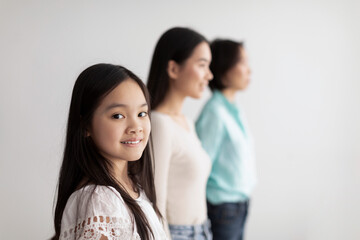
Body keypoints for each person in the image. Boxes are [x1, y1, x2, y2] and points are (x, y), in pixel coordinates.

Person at [52, 64, 167, 240]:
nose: (136, 127)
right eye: (118, 116)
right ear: (85, 126)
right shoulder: (100, 199)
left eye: (142, 113)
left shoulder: (133, 187)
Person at [147, 27, 213, 240]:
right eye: (202, 65)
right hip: (177, 234)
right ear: (174, 69)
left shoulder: (186, 123)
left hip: (202, 230)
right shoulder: (159, 124)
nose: (209, 75)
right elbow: (155, 202)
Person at [195, 39, 257, 240]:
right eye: (242, 62)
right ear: (224, 69)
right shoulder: (215, 112)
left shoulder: (233, 108)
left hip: (239, 205)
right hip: (222, 208)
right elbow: (201, 164)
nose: (249, 70)